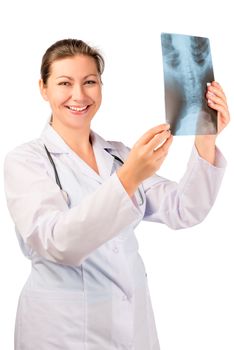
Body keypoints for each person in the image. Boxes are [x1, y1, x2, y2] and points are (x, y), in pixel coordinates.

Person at [4, 39, 229, 350]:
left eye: (90, 82)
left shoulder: (120, 155)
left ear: (101, 86)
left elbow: (184, 209)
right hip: (61, 333)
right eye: (64, 83)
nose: (79, 95)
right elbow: (57, 243)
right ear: (43, 88)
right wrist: (129, 177)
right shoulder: (26, 161)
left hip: (133, 329)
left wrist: (205, 139)